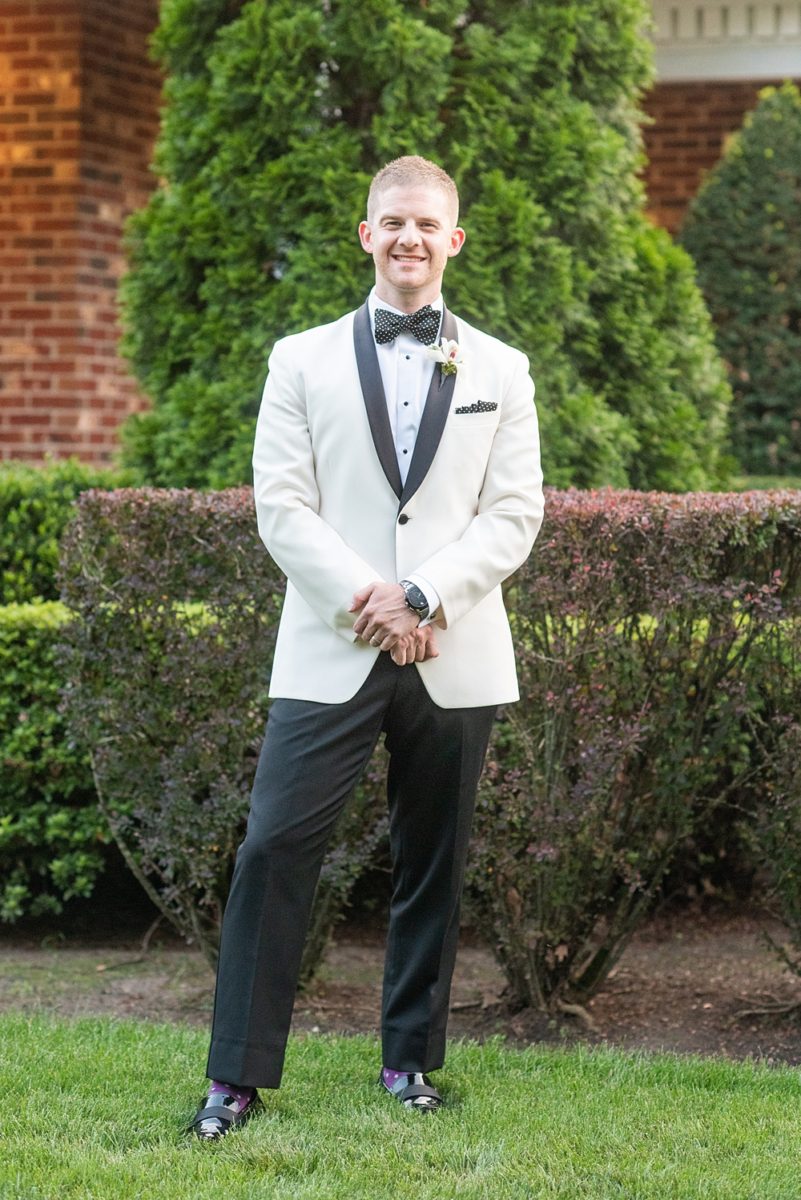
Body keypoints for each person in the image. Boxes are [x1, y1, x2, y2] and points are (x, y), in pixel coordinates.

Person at [190, 155, 544, 1139]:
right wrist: (375, 602)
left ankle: (410, 1063)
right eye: (393, 222)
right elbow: (282, 507)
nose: (409, 239)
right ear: (366, 234)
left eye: (428, 225)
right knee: (273, 850)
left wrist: (426, 594)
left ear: (454, 240)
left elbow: (516, 513)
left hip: (455, 648)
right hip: (329, 644)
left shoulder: (503, 369)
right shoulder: (296, 359)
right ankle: (237, 1078)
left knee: (434, 859)